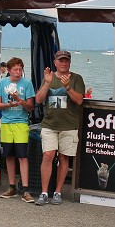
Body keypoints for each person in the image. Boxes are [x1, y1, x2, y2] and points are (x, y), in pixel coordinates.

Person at [34, 50, 85, 206]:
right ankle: (44, 192)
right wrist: (47, 83)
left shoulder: (76, 78)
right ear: (55, 62)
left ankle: (57, 192)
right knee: (48, 156)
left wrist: (68, 87)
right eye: (61, 61)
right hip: (49, 124)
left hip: (69, 125)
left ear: (69, 63)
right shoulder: (49, 78)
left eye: (66, 61)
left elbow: (79, 101)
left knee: (64, 158)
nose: (64, 63)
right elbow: (38, 99)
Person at [0, 57, 36, 202]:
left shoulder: (27, 83)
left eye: (20, 69)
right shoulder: (2, 83)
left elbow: (30, 107)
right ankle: (12, 187)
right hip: (6, 123)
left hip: (21, 123)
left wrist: (19, 100)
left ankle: (25, 189)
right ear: (9, 70)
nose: (18, 72)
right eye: (15, 70)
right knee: (9, 156)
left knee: (22, 156)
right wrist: (9, 105)